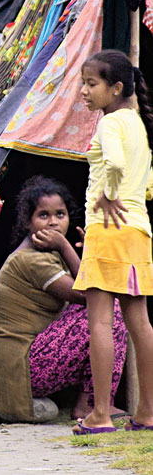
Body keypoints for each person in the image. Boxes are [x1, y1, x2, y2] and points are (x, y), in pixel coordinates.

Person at [0, 175, 127, 423]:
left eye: (60, 214)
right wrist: (67, 247)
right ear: (28, 222)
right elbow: (89, 294)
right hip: (22, 369)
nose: (53, 223)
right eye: (44, 215)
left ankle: (90, 401)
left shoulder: (45, 254)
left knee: (104, 310)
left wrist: (76, 251)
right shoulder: (31, 260)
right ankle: (90, 404)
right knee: (108, 310)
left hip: (27, 362)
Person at [72, 49, 153, 434]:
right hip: (138, 231)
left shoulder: (109, 124)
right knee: (141, 325)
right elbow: (148, 186)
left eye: (92, 84)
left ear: (116, 87)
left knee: (100, 322)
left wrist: (106, 191)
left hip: (107, 228)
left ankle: (100, 414)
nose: (84, 91)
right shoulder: (137, 123)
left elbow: (116, 164)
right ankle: (147, 413)